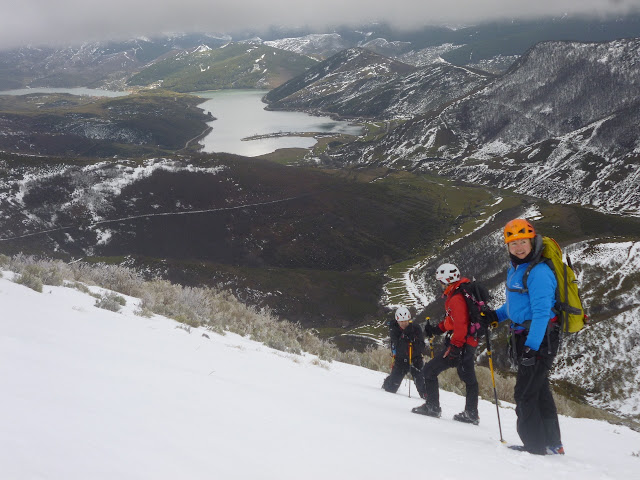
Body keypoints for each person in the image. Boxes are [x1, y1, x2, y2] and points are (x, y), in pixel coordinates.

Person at [493, 218, 564, 455]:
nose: (518, 248)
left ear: (532, 241)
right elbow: (515, 306)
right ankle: (553, 443)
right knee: (539, 388)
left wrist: (531, 348)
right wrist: (495, 316)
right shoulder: (515, 270)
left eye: (523, 242)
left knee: (524, 394)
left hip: (539, 339)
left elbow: (542, 313)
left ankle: (534, 446)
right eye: (513, 244)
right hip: (526, 336)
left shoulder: (539, 272)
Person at [411, 263, 479, 425]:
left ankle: (432, 407)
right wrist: (436, 329)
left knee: (429, 370)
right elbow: (453, 321)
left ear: (446, 280)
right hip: (470, 342)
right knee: (469, 379)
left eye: (440, 281)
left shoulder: (456, 298)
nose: (439, 284)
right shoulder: (460, 293)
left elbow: (460, 325)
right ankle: (471, 413)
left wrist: (455, 348)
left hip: (460, 344)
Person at [382, 306, 427, 399]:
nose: (403, 323)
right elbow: (398, 347)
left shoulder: (416, 328)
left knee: (423, 390)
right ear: (397, 321)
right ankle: (388, 382)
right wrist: (405, 336)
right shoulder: (394, 330)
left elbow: (422, 345)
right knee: (391, 388)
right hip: (400, 360)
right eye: (401, 321)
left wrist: (414, 341)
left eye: (405, 321)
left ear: (409, 320)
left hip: (416, 359)